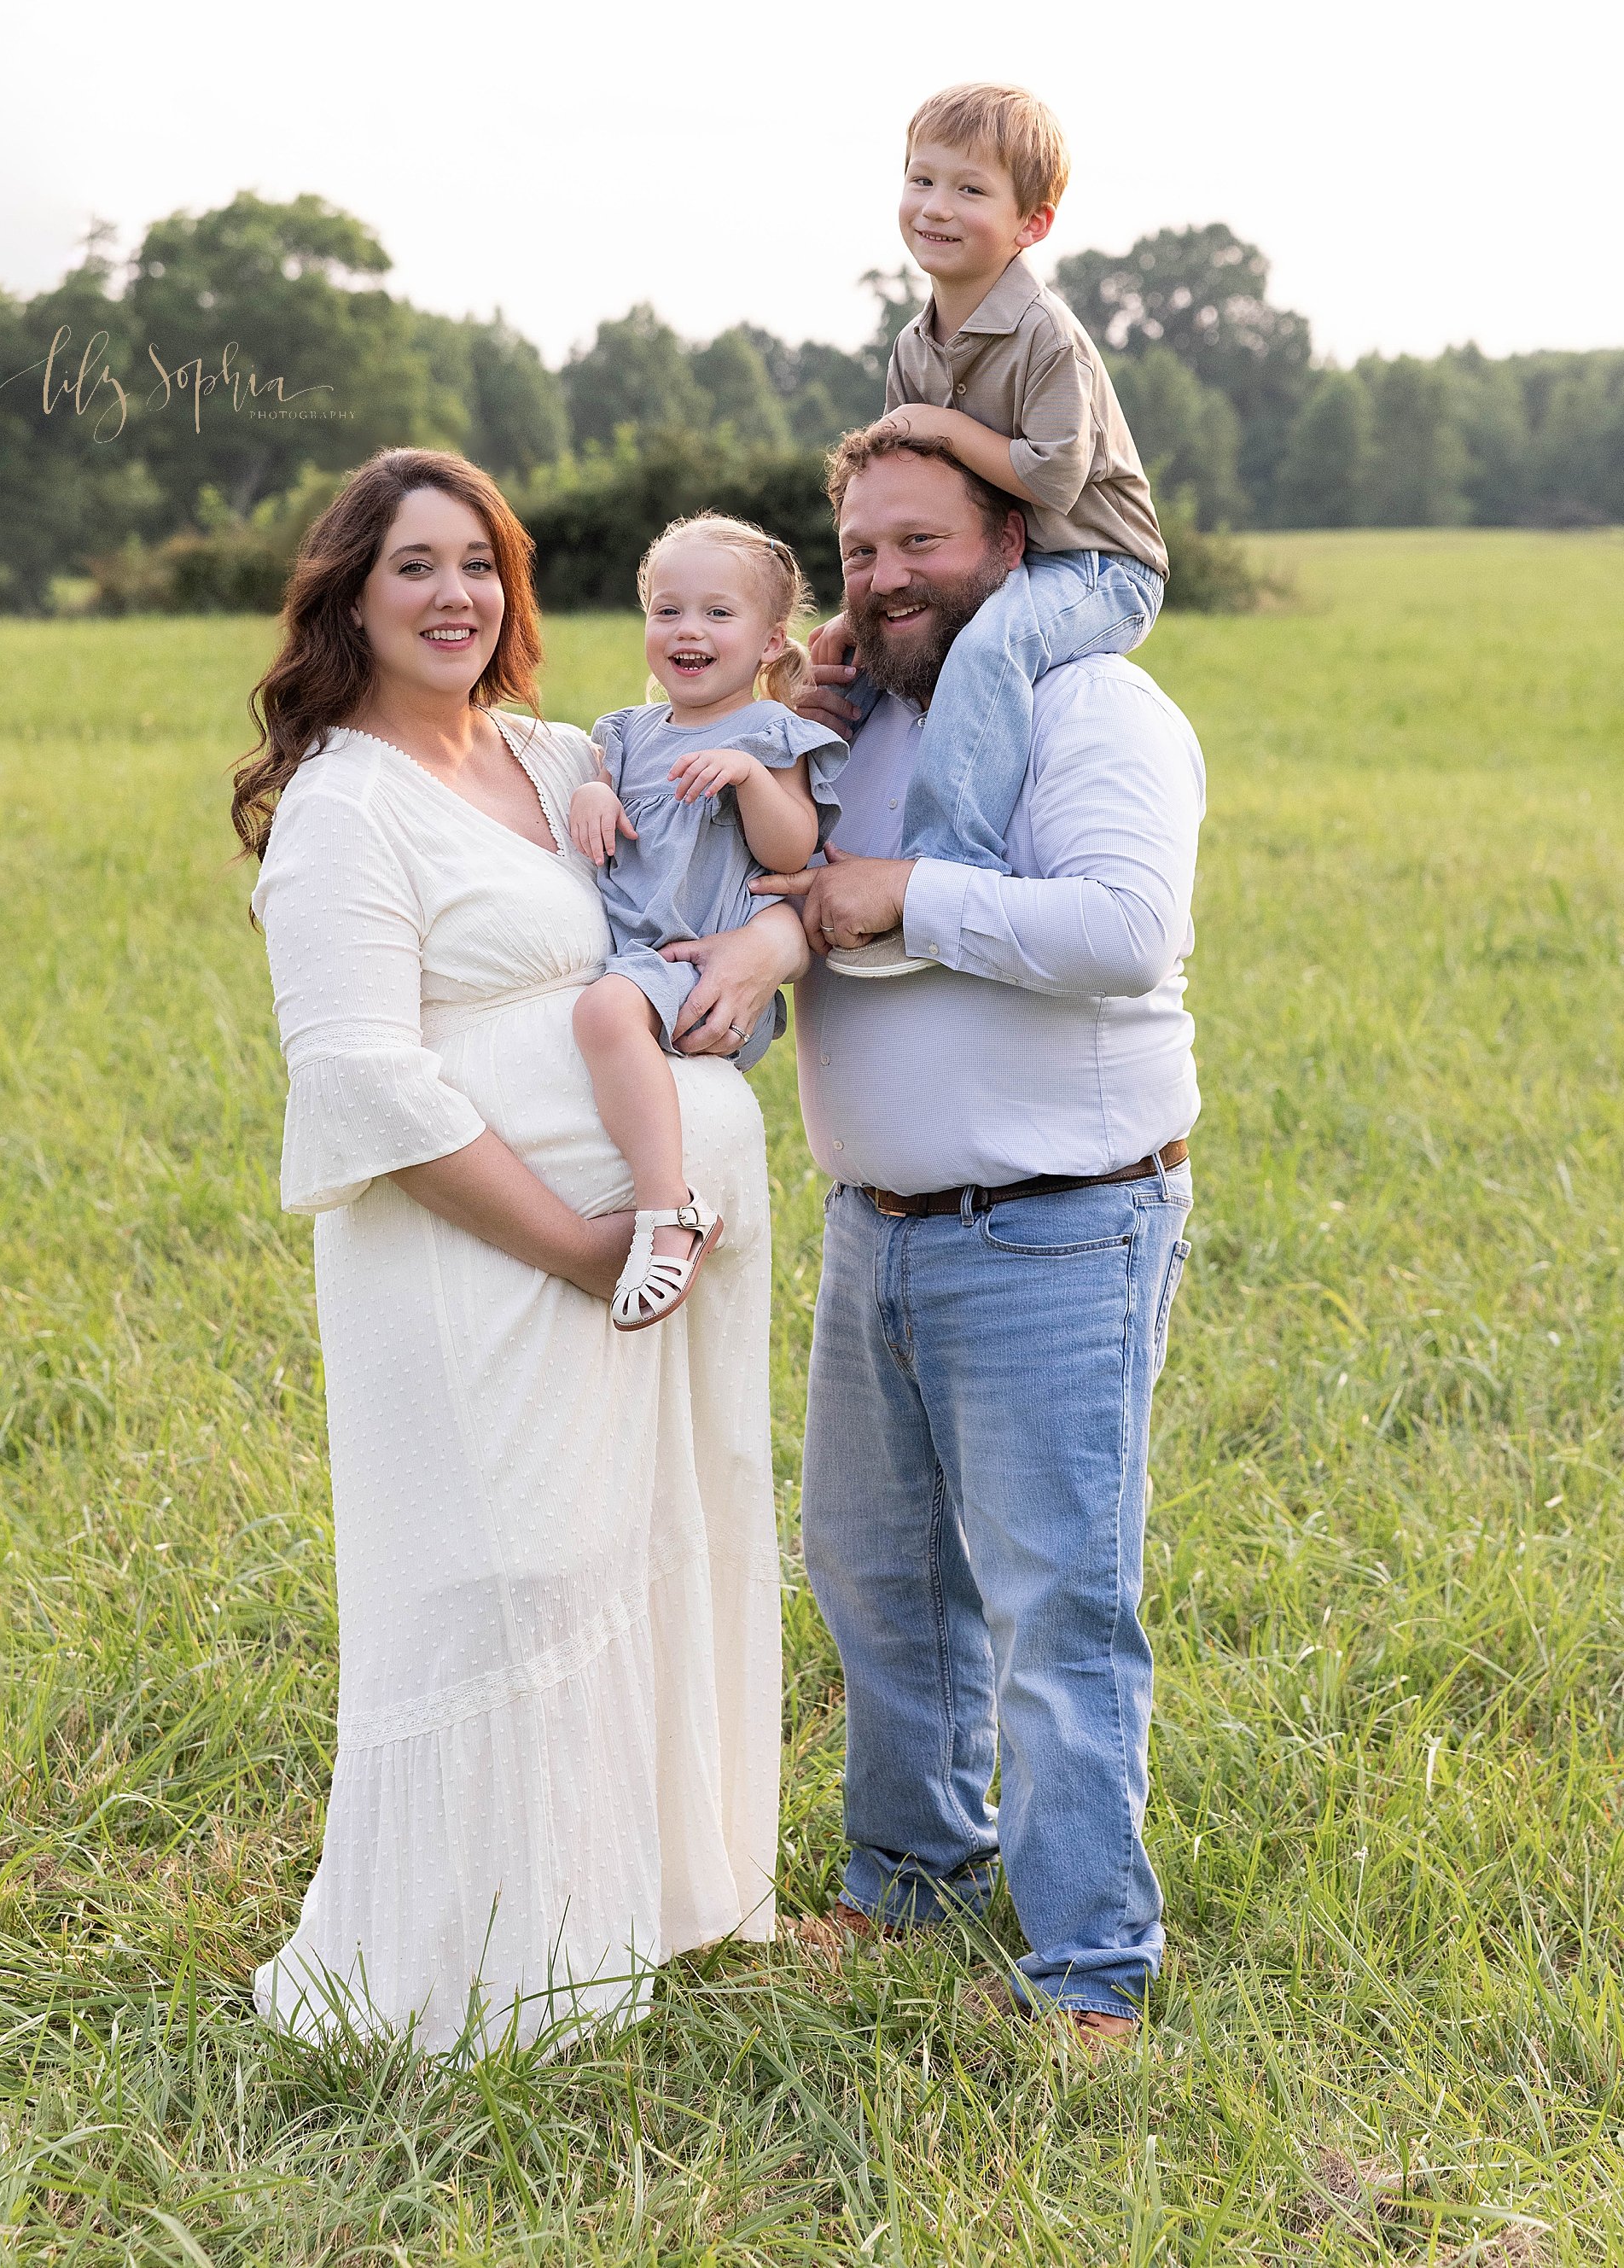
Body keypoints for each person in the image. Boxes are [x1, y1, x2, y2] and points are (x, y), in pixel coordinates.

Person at [230, 447, 805, 2054]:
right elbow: (361, 1078)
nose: (454, 595)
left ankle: (619, 1920)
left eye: (478, 562)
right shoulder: (347, 805)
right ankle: (467, 1978)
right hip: (482, 1253)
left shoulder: (556, 760)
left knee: (621, 1551)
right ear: (348, 591)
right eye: (414, 564)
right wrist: (578, 1241)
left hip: (636, 1262)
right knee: (504, 1573)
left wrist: (764, 939)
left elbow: (769, 841)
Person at [763, 426, 1204, 2053]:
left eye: (920, 542)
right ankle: (910, 1875)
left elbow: (1122, 926)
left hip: (1056, 1230)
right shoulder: (860, 721)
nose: (885, 575)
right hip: (873, 1227)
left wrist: (909, 897)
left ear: (1012, 544)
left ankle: (1095, 1966)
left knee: (1051, 1607)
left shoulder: (1093, 705)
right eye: (862, 547)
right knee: (881, 1584)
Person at [818, 81, 1170, 978]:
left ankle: (943, 869)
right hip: (1006, 556)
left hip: (1097, 563)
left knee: (989, 647)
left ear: (1031, 223)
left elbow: (1052, 473)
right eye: (920, 180)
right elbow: (902, 481)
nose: (934, 207)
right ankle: (795, 831)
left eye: (969, 190)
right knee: (850, 648)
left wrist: (942, 428)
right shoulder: (913, 343)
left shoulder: (1046, 335)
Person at [567, 516, 847, 1331]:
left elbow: (796, 847)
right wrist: (592, 794)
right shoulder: (623, 733)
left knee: (602, 1012)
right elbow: (597, 799)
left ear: (768, 643)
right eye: (667, 610)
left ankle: (668, 1213)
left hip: (702, 965)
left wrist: (752, 780)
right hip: (639, 954)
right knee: (598, 1013)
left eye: (718, 614)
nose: (688, 630)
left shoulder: (769, 733)